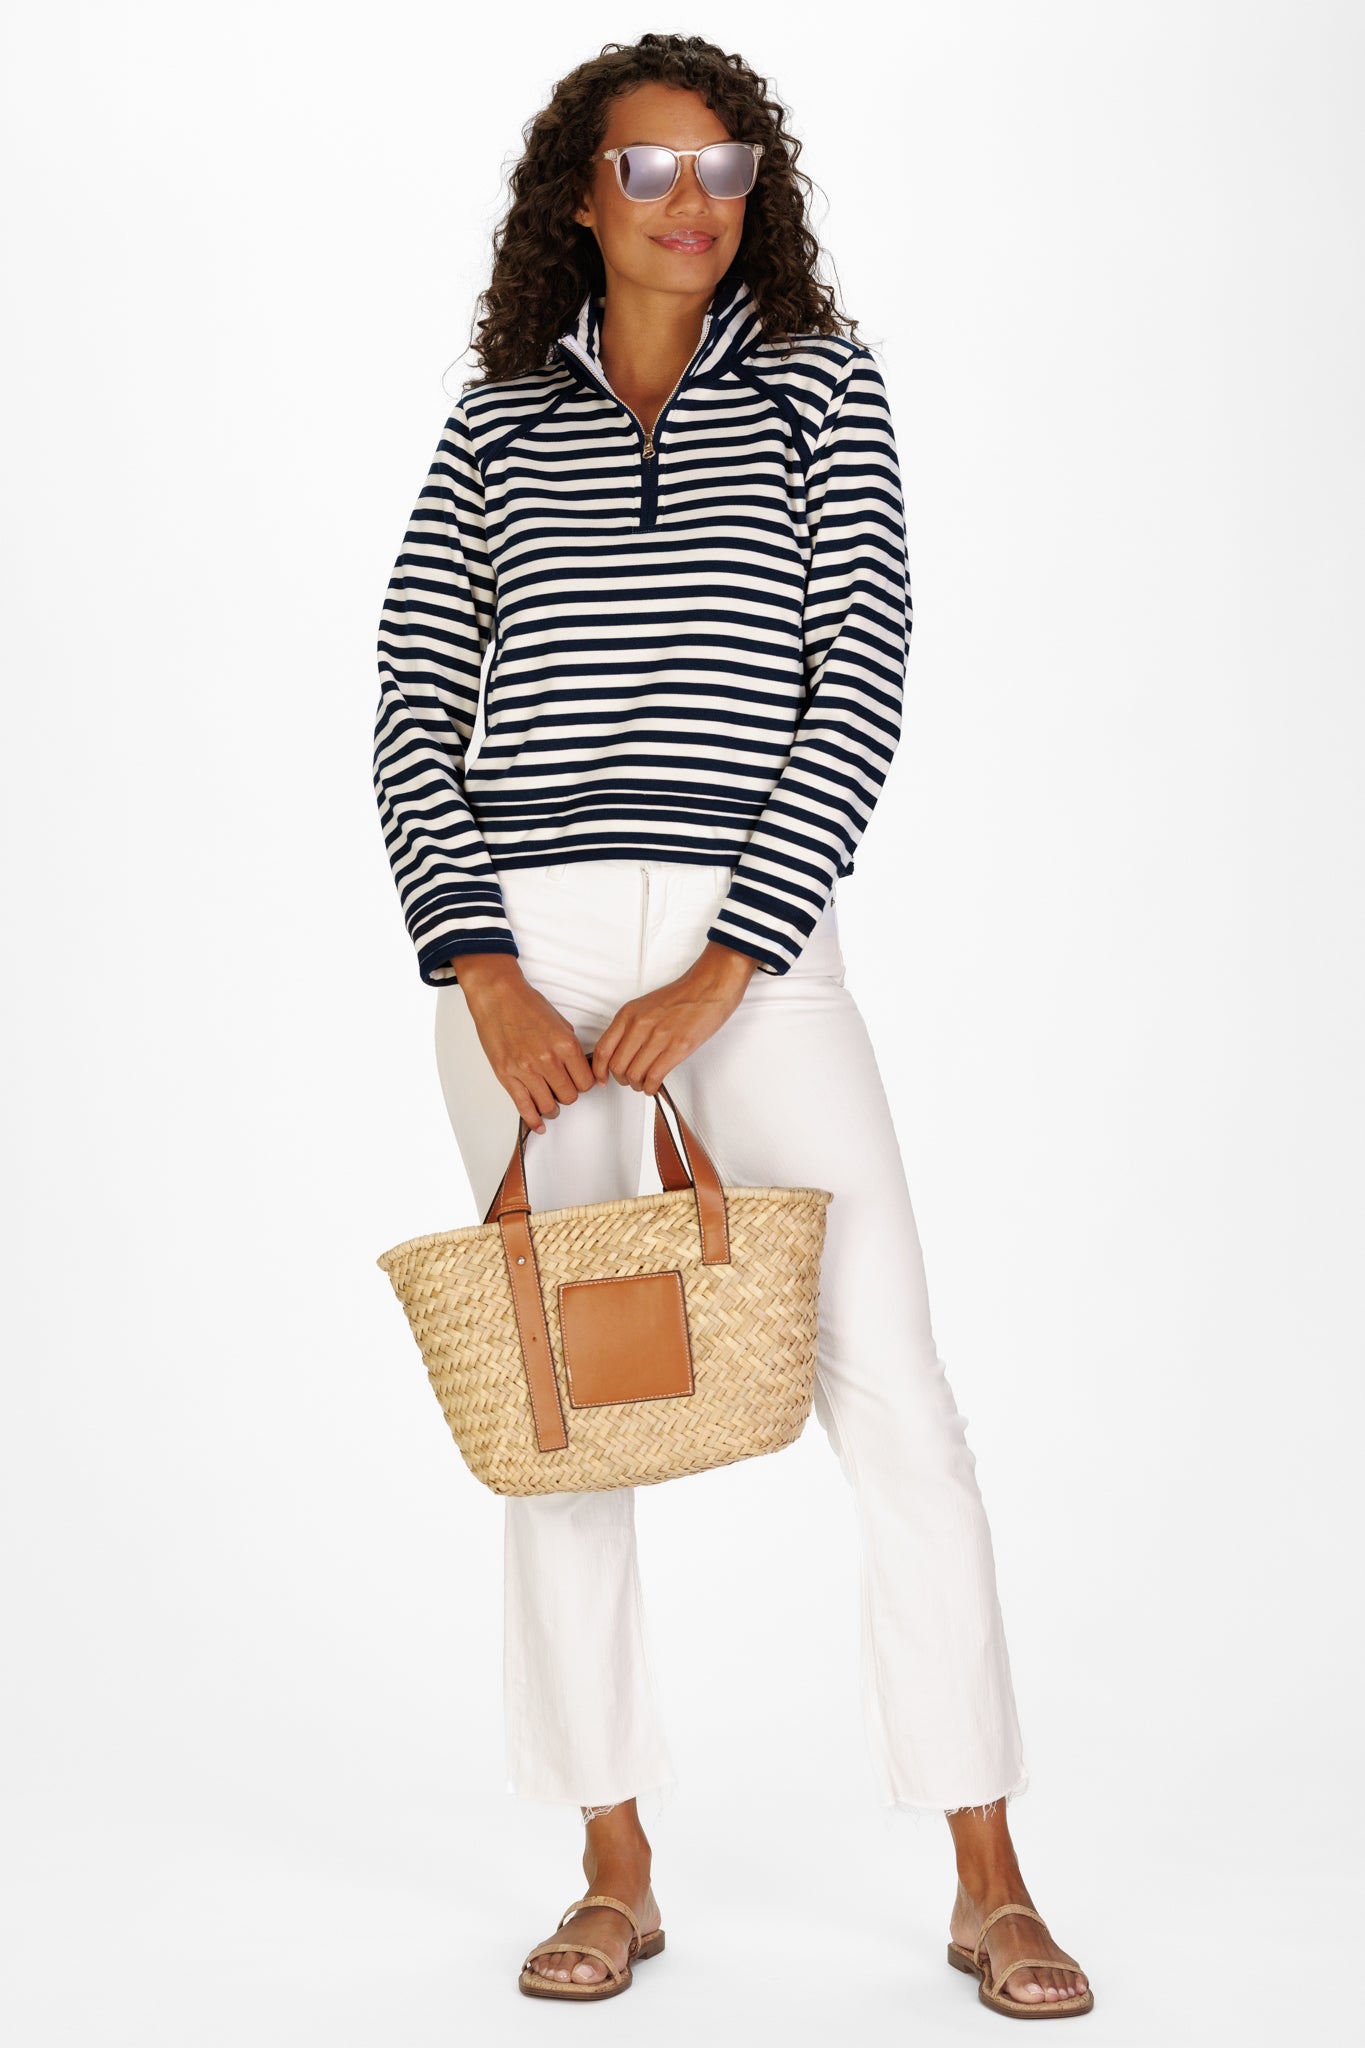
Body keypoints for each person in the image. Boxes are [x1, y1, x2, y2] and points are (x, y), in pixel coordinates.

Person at [373, 31, 1093, 2019]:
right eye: (650, 167)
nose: (691, 201)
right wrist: (483, 970)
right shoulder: (495, 423)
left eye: (724, 168)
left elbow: (857, 670)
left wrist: (733, 956)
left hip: (749, 945)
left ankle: (987, 1874)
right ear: (579, 195)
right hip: (527, 956)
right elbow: (414, 695)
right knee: (566, 1421)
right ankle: (611, 1866)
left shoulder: (818, 389)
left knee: (897, 1397)